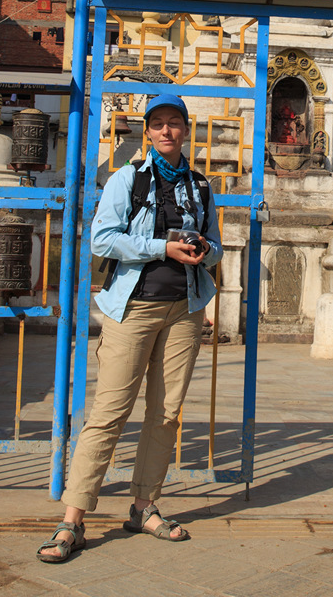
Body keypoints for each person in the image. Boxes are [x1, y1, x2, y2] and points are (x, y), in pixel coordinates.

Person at [39, 94, 221, 564]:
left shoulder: (200, 187)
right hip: (134, 309)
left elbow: (217, 246)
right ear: (148, 132)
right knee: (110, 413)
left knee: (165, 413)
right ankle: (72, 519)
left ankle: (144, 506)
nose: (166, 131)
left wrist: (203, 249)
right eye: (157, 124)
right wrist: (164, 247)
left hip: (184, 310)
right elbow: (101, 237)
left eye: (174, 123)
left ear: (186, 130)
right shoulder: (129, 179)